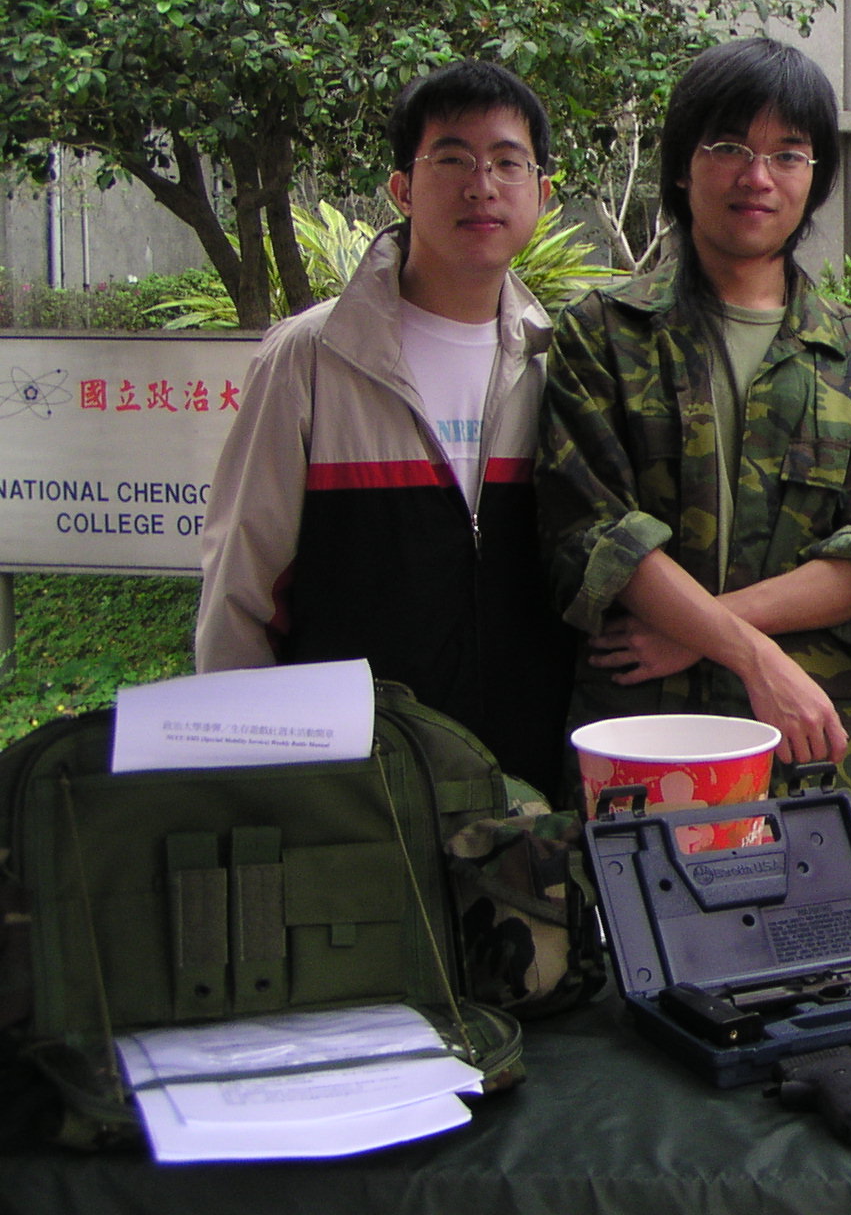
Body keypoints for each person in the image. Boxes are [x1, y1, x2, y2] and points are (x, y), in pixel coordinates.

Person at [536, 37, 851, 813]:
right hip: (641, 741)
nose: (758, 176)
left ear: (815, 178)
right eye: (729, 147)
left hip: (812, 749)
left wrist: (700, 632)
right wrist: (753, 654)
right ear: (684, 165)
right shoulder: (604, 336)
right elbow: (594, 534)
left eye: (788, 154)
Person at [196, 58, 574, 792]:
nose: (482, 185)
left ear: (542, 193)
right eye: (453, 159)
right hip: (356, 792)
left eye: (508, 162)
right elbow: (242, 587)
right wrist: (246, 781)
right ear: (402, 188)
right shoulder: (313, 357)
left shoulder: (556, 364)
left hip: (530, 790)